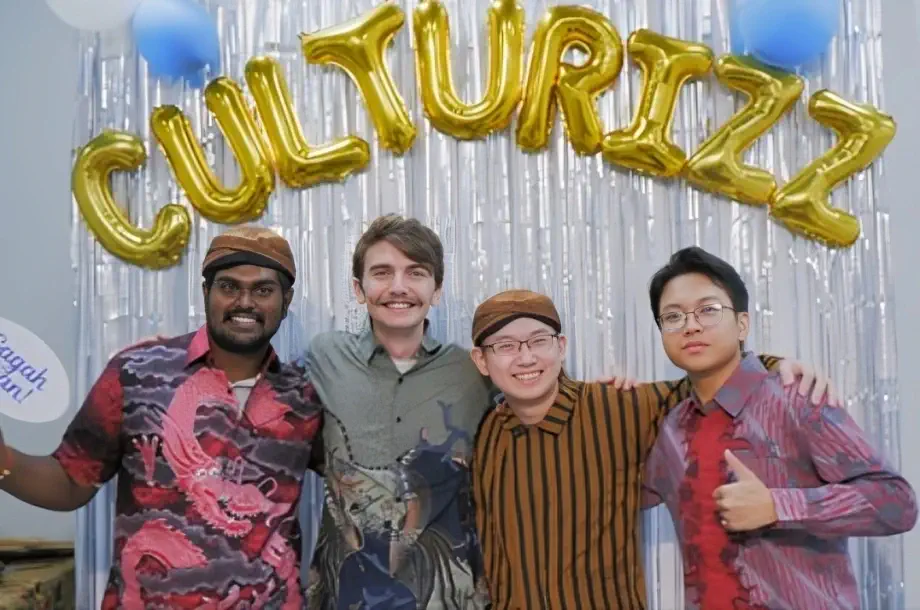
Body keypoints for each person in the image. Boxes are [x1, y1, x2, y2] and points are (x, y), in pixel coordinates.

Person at [0, 227, 323, 609]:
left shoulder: (306, 395)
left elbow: (354, 479)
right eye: (229, 287)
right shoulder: (137, 372)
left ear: (286, 301)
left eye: (263, 290)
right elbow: (71, 480)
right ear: (206, 292)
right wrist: (4, 462)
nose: (245, 302)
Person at [468, 288, 833, 610]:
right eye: (506, 346)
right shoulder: (483, 434)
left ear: (560, 347)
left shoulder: (614, 406)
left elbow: (707, 386)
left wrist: (776, 366)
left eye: (538, 341)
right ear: (481, 361)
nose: (526, 358)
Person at [642, 246, 918, 610]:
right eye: (673, 316)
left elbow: (897, 502)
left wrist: (778, 505)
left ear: (742, 324)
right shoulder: (673, 429)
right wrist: (606, 395)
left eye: (708, 310)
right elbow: (616, 497)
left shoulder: (797, 398)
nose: (690, 326)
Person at [305, 215, 493, 609]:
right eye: (382, 272)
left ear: (436, 290)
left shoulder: (473, 372)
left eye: (416, 273)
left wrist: (612, 392)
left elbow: (538, 395)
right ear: (359, 289)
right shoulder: (324, 358)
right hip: (345, 597)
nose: (398, 287)